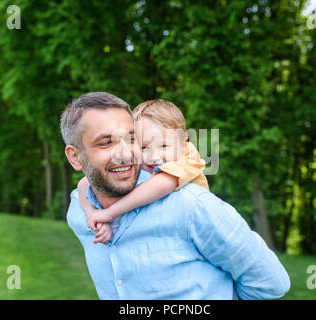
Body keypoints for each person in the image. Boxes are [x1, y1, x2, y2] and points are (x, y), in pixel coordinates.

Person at [61, 91, 290, 299]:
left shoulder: (192, 206)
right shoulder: (78, 211)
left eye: (131, 139)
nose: (124, 153)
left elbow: (271, 284)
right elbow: (83, 187)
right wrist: (93, 213)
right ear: (75, 157)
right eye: (105, 142)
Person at [77, 99, 209, 244]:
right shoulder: (137, 165)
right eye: (144, 147)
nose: (154, 157)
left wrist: (109, 213)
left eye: (164, 146)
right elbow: (84, 183)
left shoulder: (189, 158)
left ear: (183, 144)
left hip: (197, 228)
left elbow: (162, 184)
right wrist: (93, 214)